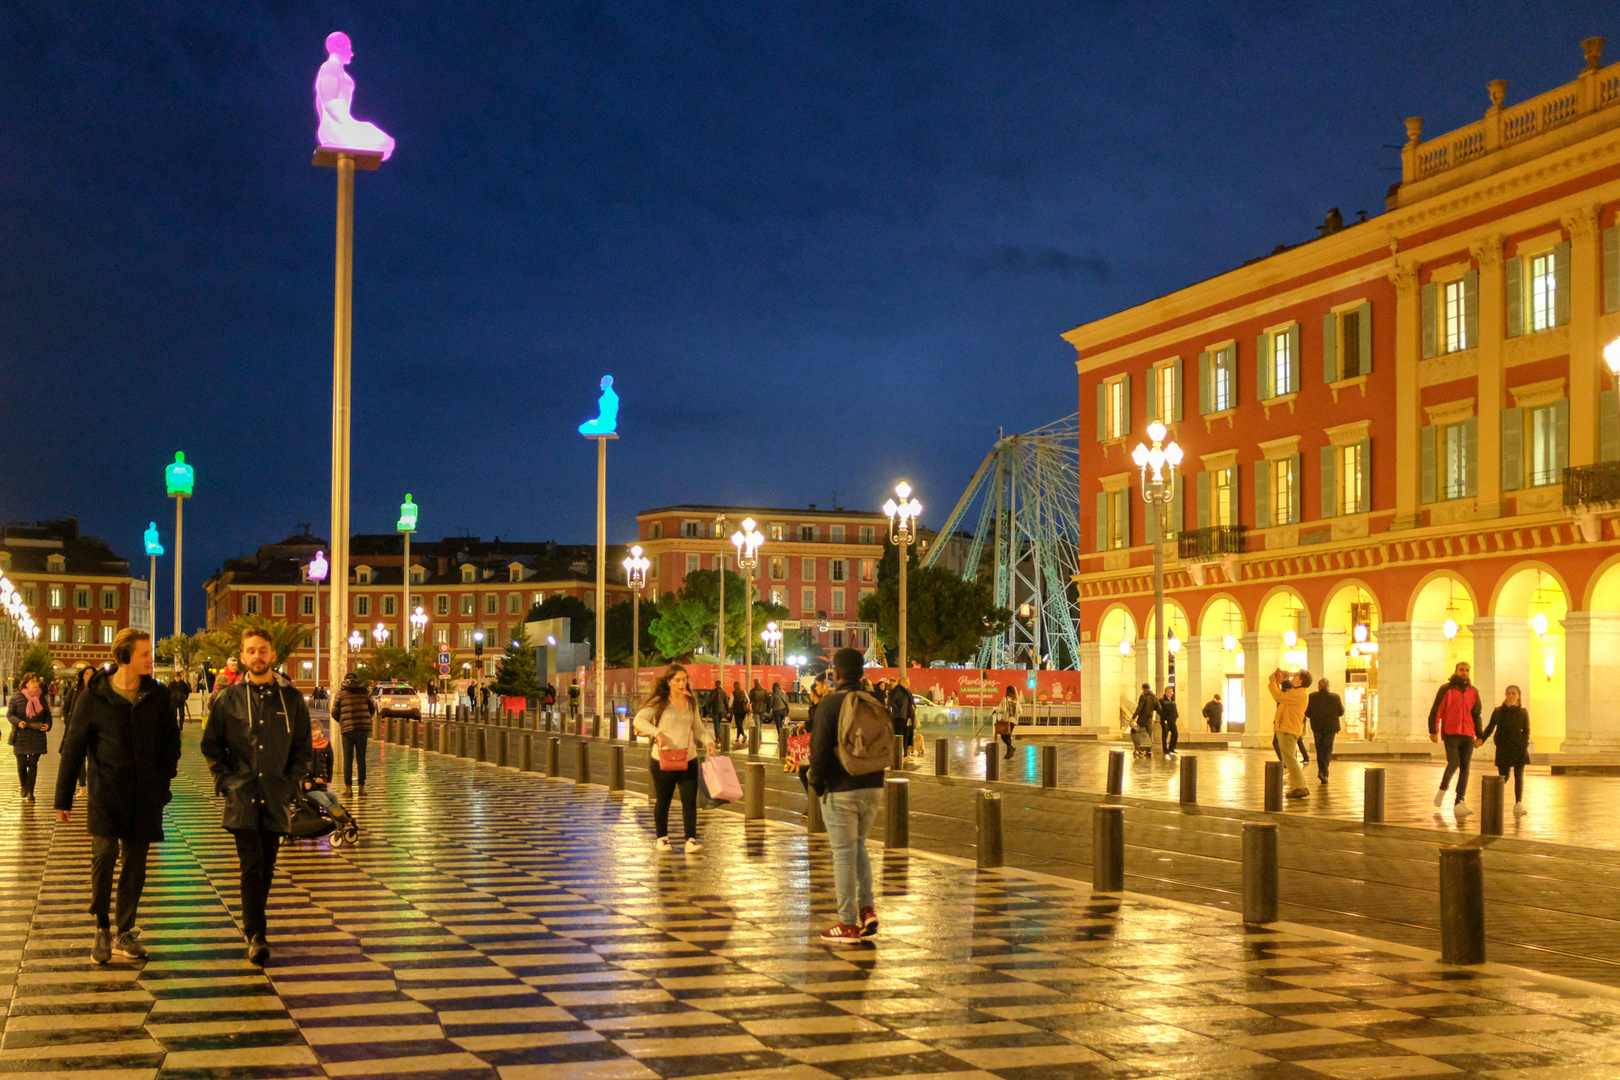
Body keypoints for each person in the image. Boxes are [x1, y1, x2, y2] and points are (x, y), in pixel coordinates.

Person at [54, 629, 181, 964]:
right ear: (124, 656)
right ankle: (101, 927)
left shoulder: (158, 695)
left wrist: (162, 783)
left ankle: (125, 931)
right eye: (144, 654)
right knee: (105, 857)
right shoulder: (94, 697)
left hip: (145, 797)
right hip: (105, 794)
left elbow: (172, 743)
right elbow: (72, 748)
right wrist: (63, 797)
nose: (150, 660)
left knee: (135, 866)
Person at [201, 627, 313, 965]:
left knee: (267, 867)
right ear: (243, 656)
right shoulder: (229, 700)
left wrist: (291, 783)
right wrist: (225, 780)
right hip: (243, 796)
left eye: (262, 650)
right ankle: (256, 934)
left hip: (277, 795)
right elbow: (211, 745)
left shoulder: (291, 700)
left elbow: (303, 748)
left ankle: (256, 927)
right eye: (251, 650)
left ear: (273, 655)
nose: (257, 656)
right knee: (251, 866)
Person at [807, 647, 886, 944]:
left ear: (836, 674)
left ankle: (847, 923)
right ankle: (867, 909)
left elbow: (818, 751)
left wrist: (816, 783)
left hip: (841, 787)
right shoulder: (874, 700)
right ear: (863, 673)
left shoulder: (831, 704)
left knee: (842, 853)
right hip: (874, 784)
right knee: (859, 846)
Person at [632, 663, 716, 854]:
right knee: (664, 801)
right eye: (677, 680)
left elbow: (698, 728)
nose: (681, 683)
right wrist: (657, 733)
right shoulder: (661, 702)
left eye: (684, 680)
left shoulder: (691, 702)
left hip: (688, 758)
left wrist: (708, 741)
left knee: (689, 801)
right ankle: (662, 838)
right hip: (663, 759)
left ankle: (691, 839)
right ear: (669, 682)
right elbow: (639, 720)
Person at [1428, 661, 1481, 817]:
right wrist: (1434, 730)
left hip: (1468, 735)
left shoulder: (1473, 691)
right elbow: (1437, 709)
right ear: (1456, 671)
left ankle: (1460, 801)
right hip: (1451, 733)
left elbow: (1476, 714)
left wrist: (1480, 736)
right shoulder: (1446, 689)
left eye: (1467, 670)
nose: (1464, 673)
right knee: (1454, 762)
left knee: (1465, 768)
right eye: (1462, 670)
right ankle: (1442, 790)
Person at [1478, 685, 1530, 817]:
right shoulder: (1499, 711)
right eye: (1508, 694)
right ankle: (1495, 800)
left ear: (1518, 695)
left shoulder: (1523, 712)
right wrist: (1481, 740)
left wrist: (1524, 745)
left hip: (1518, 748)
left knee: (1519, 776)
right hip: (1504, 748)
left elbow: (1526, 731)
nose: (1510, 696)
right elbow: (1490, 728)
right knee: (1504, 776)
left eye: (1513, 693)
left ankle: (1518, 803)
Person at [1268, 669, 1311, 799]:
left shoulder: (1300, 693)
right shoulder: (1296, 691)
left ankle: (1300, 787)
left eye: (1296, 675)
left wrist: (1272, 683)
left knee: (1290, 759)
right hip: (1287, 727)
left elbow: (1279, 697)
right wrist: (1279, 681)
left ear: (1301, 680)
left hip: (1288, 728)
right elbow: (1283, 696)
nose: (1294, 675)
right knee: (1289, 758)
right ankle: (1300, 786)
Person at [9, 673, 52, 802]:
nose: (35, 684)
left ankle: (30, 791)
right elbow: (10, 714)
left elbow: (47, 715)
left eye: (36, 681)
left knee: (33, 764)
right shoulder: (16, 698)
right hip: (21, 735)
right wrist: (17, 721)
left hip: (37, 734)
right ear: (26, 683)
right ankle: (23, 786)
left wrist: (48, 725)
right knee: (22, 764)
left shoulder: (42, 698)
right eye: (32, 681)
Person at [332, 672, 374, 796]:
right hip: (362, 729)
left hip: (347, 730)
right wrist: (365, 718)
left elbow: (334, 712)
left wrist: (343, 721)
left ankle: (348, 788)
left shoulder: (340, 694)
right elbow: (373, 708)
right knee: (361, 759)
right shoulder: (365, 692)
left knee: (348, 759)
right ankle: (361, 788)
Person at [1305, 678, 1344, 783]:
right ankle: (1325, 772)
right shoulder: (1335, 697)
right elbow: (1341, 712)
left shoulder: (1312, 697)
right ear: (1328, 686)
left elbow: (1307, 712)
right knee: (1327, 749)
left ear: (1319, 686)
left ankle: (1321, 770)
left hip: (1317, 727)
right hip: (1331, 728)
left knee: (1319, 749)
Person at [887, 675, 916, 757]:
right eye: (906, 682)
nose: (908, 684)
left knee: (907, 734)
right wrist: (898, 710)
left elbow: (910, 702)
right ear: (901, 682)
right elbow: (891, 702)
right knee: (899, 734)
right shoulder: (897, 691)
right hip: (899, 717)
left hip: (908, 716)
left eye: (908, 682)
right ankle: (898, 753)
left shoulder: (908, 691)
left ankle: (905, 752)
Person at [1157, 685, 1180, 756]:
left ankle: (1172, 748)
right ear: (1166, 692)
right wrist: (1165, 717)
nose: (1171, 694)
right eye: (1169, 692)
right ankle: (1165, 749)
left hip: (1172, 720)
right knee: (1165, 734)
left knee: (1175, 733)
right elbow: (1159, 710)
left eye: (1172, 692)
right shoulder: (1162, 700)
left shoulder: (1172, 700)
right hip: (1165, 720)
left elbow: (1175, 709)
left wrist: (1176, 715)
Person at [998, 685, 1018, 758]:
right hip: (1013, 722)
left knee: (1003, 736)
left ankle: (1010, 747)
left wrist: (996, 712)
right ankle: (1009, 753)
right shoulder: (1016, 700)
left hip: (1006, 721)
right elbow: (1020, 710)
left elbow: (1000, 709)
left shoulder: (1005, 699)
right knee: (1008, 736)